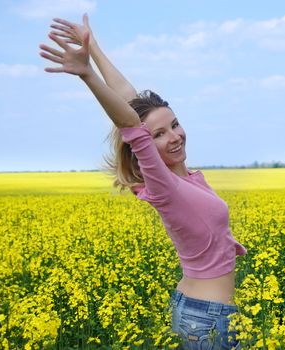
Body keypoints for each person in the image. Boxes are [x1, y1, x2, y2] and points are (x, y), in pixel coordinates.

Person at [39, 14, 246, 349]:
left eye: (175, 124)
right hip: (207, 317)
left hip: (202, 311)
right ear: (145, 148)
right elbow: (130, 124)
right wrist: (87, 75)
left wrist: (93, 50)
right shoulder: (165, 187)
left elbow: (129, 99)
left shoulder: (186, 179)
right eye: (160, 135)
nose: (175, 136)